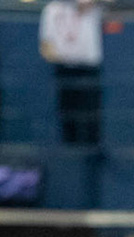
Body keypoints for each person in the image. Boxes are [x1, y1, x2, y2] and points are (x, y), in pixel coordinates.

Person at [39, 0, 102, 145]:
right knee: (67, 114)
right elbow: (46, 46)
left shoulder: (92, 7)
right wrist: (65, 56)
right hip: (64, 69)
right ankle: (70, 148)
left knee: (90, 115)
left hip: (88, 69)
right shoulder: (52, 10)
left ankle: (91, 150)